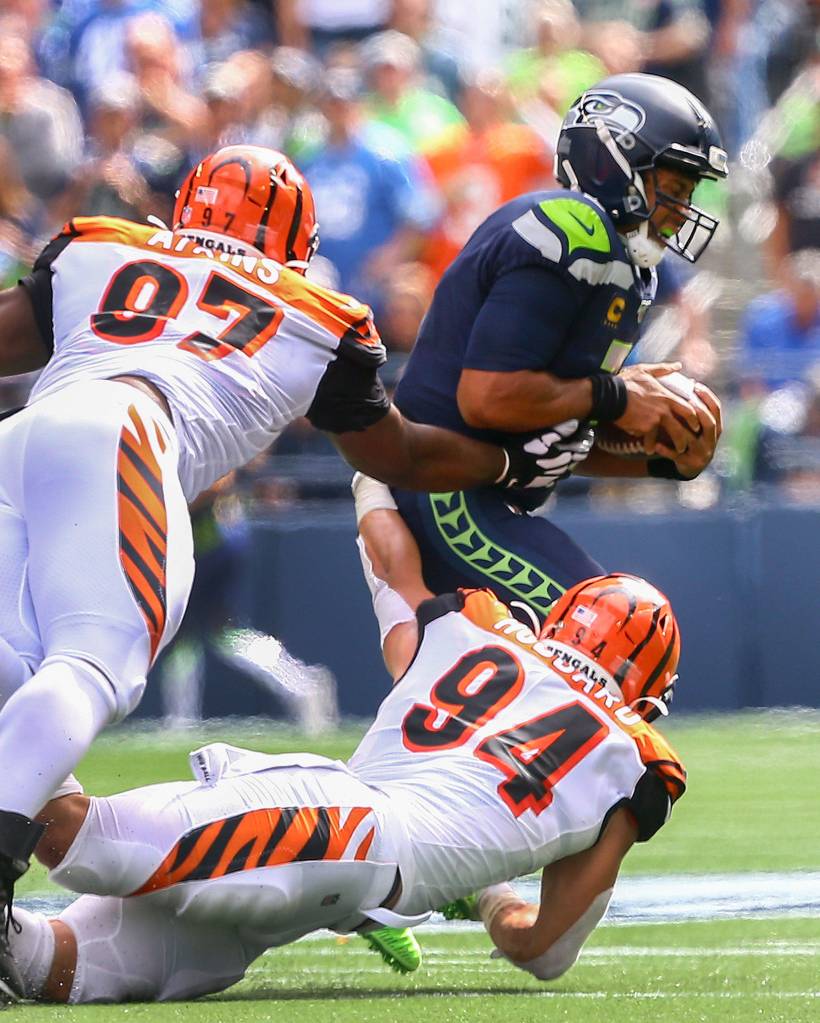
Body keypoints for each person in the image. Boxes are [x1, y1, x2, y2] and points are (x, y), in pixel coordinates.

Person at [0, 143, 565, 995]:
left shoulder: (103, 246)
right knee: (94, 662)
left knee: (11, 671)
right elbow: (399, 452)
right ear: (296, 241)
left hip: (23, 438)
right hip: (131, 434)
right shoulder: (318, 313)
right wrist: (506, 467)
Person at [7, 476, 686, 1004]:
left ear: (561, 619)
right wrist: (488, 890)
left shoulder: (479, 626)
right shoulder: (634, 757)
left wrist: (373, 468)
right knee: (53, 919)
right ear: (649, 689)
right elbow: (545, 948)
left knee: (59, 888)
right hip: (349, 860)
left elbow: (393, 566)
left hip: (338, 825)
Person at [391, 72, 727, 619]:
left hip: (484, 493)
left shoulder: (623, 266)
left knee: (609, 640)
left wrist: (658, 461)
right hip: (446, 492)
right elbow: (488, 398)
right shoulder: (571, 230)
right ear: (616, 162)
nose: (684, 206)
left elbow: (549, 439)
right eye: (676, 183)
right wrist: (617, 396)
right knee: (610, 632)